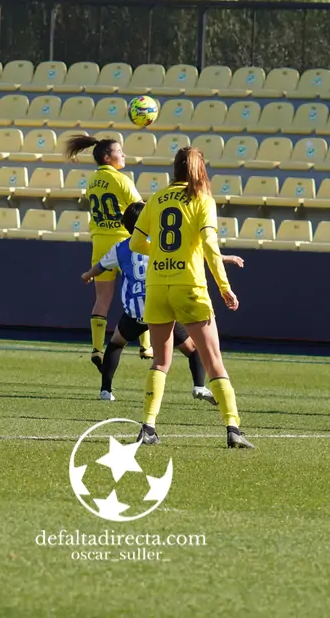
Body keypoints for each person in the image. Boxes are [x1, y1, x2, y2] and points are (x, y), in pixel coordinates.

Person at [128, 147, 254, 449]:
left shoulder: (156, 199)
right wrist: (225, 287)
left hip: (157, 286)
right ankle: (232, 427)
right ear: (200, 169)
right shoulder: (202, 199)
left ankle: (148, 426)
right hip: (189, 287)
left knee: (160, 361)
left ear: (174, 170)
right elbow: (210, 246)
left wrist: (159, 253)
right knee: (214, 361)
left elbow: (135, 241)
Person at [81, 201, 245, 403]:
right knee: (192, 350)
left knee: (116, 344)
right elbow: (194, 255)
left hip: (135, 312)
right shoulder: (160, 244)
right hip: (159, 307)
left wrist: (88, 275)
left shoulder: (121, 248)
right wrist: (225, 258)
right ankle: (199, 386)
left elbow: (100, 266)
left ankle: (105, 391)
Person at [64, 134, 153, 367]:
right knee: (142, 289)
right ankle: (146, 345)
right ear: (107, 156)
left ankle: (96, 348)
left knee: (102, 298)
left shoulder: (92, 181)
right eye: (119, 152)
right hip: (126, 241)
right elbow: (138, 208)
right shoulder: (122, 180)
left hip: (101, 241)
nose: (123, 155)